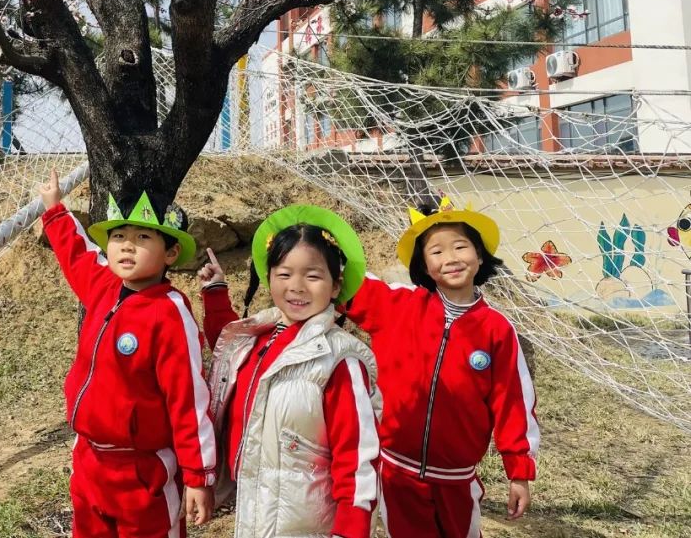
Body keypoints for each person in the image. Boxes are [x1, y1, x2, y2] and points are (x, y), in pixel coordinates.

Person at [340, 198, 540, 537]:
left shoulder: (497, 330)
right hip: (395, 471)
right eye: (436, 252)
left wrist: (518, 471)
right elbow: (348, 282)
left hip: (457, 478)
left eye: (460, 246)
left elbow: (512, 403)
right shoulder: (398, 307)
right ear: (423, 265)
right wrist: (319, 245)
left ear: (479, 256)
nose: (450, 258)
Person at [38, 170, 216, 538]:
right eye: (118, 236)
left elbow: (188, 401)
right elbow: (76, 255)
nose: (126, 246)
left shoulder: (169, 314)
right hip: (89, 461)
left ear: (170, 253)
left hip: (143, 472)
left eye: (142, 237)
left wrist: (198, 476)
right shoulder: (103, 285)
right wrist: (55, 210)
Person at [198, 204, 381, 538]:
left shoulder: (338, 360)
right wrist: (215, 293)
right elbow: (230, 358)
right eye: (284, 274)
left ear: (336, 286)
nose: (296, 286)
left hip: (306, 521)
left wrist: (351, 530)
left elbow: (357, 458)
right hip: (256, 502)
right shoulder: (259, 336)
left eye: (312, 276)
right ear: (268, 278)